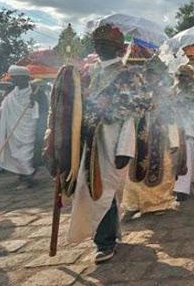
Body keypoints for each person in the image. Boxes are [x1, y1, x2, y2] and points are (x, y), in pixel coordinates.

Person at [67, 25, 138, 264]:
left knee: (103, 190)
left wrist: (125, 149)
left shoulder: (128, 74)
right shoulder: (88, 73)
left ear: (119, 48)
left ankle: (105, 242)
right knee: (91, 191)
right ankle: (107, 238)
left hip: (113, 138)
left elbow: (132, 113)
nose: (100, 48)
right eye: (98, 44)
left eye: (106, 45)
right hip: (88, 140)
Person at [122, 56, 180, 219]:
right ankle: (134, 203)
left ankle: (158, 203)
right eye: (148, 73)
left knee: (162, 167)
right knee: (135, 169)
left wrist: (174, 138)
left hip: (158, 135)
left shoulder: (166, 94)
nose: (150, 77)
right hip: (139, 135)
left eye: (154, 74)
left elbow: (172, 117)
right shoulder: (138, 91)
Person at [0, 66, 39, 189]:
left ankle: (28, 179)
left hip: (28, 129)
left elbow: (40, 110)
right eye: (13, 78)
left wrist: (34, 104)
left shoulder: (35, 93)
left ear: (25, 78)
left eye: (16, 78)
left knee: (24, 155)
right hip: (13, 129)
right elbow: (4, 108)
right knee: (16, 154)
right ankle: (24, 177)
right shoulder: (11, 95)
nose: (14, 80)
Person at [172, 64, 194, 201]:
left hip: (190, 129)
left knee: (187, 157)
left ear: (191, 79)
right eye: (180, 76)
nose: (182, 80)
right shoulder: (172, 91)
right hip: (172, 128)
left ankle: (182, 190)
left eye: (185, 77)